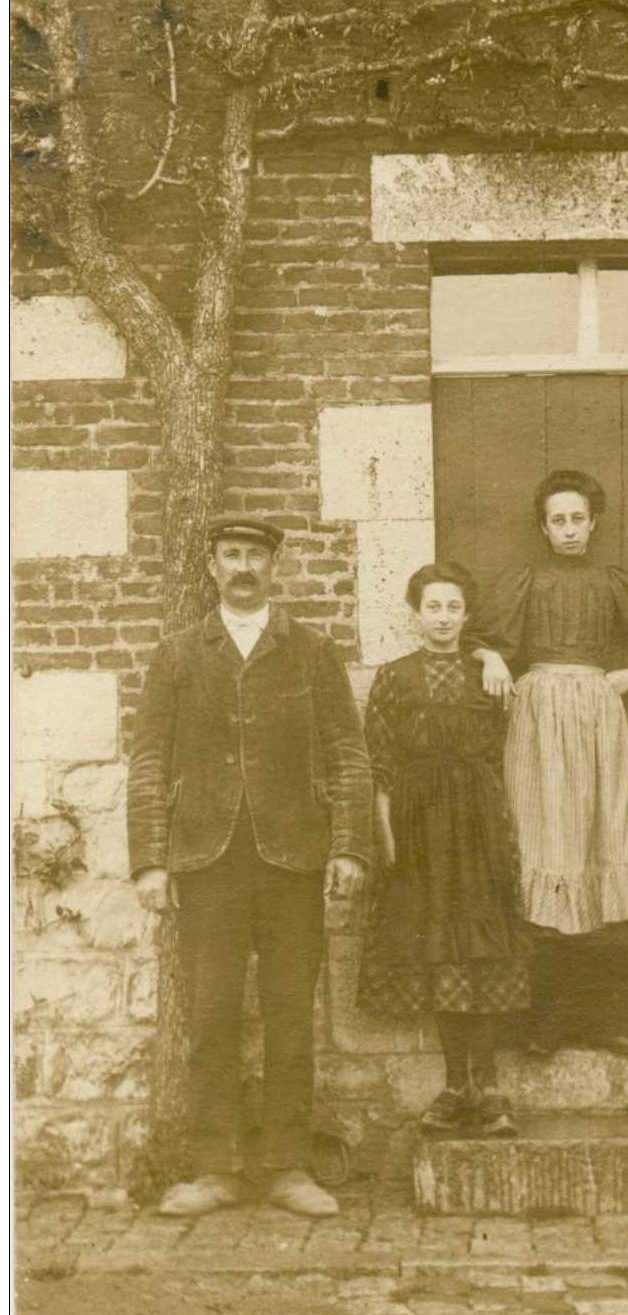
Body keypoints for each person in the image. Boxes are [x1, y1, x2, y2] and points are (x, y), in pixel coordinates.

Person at [128, 515, 373, 1217]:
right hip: (206, 860)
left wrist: (349, 846)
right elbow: (149, 762)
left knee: (293, 1013)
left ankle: (289, 1167)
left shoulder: (312, 651)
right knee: (211, 1016)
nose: (243, 567)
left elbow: (348, 755)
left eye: (255, 556)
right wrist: (151, 860)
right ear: (211, 566)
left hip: (294, 857)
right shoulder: (178, 654)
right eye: (231, 555)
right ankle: (214, 1168)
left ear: (275, 568)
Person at [467, 469, 628, 1052]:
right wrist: (492, 658)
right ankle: (547, 1019)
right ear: (543, 529)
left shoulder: (612, 581)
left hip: (597, 716)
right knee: (547, 847)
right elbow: (476, 636)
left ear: (593, 523)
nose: (569, 530)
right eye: (557, 520)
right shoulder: (525, 579)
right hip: (538, 716)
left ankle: (607, 1016)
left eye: (577, 519)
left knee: (603, 845)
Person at [358, 562, 529, 1135]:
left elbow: (509, 749)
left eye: (454, 608)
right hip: (420, 824)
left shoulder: (489, 675)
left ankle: (491, 1084)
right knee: (438, 946)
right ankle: (455, 1085)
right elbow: (378, 760)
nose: (443, 618)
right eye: (433, 607)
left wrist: (490, 656)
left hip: (478, 822)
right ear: (416, 612)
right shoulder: (394, 677)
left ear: (467, 615)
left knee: (484, 945)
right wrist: (387, 836)